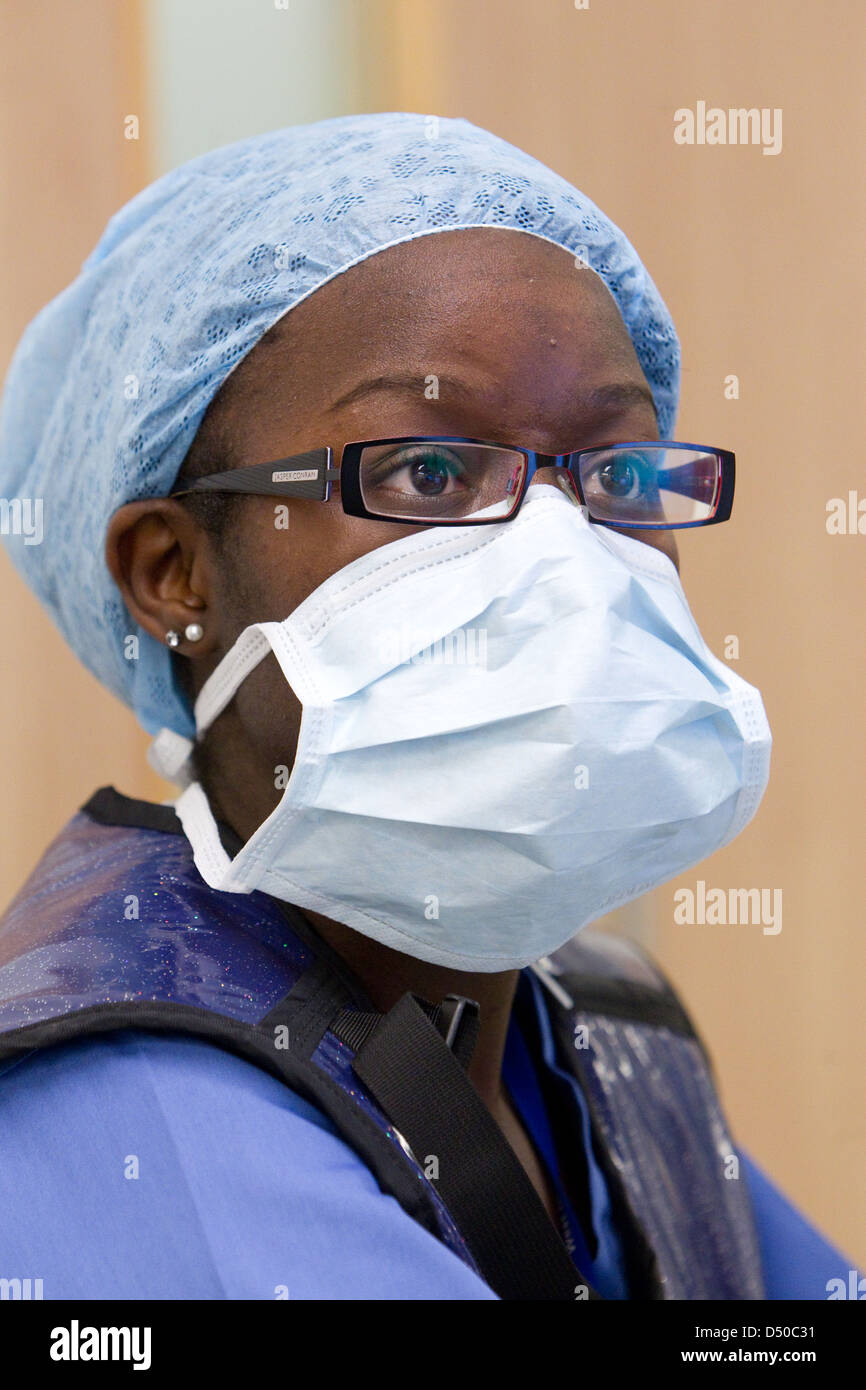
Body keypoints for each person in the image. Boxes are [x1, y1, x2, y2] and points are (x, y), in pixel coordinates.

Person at [0, 112, 854, 1300]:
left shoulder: (602, 1046)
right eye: (430, 472)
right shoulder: (126, 1107)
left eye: (617, 474)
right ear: (171, 572)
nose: (560, 555)